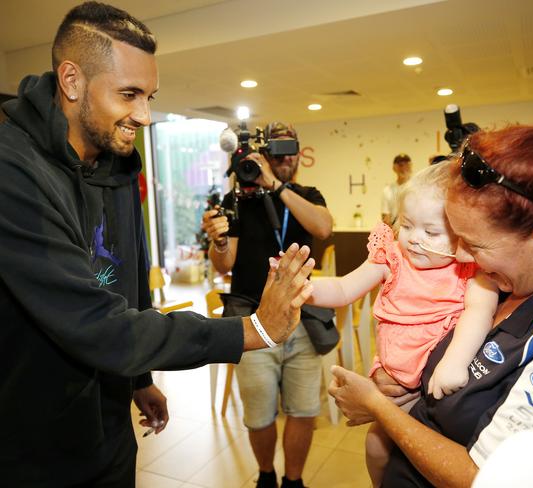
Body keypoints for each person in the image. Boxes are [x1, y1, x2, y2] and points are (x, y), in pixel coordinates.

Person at [0, 3, 314, 487]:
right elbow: (95, 324)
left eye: (150, 96)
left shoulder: (119, 161)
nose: (144, 116)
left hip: (109, 431)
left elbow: (127, 278)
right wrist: (249, 331)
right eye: (129, 94)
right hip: (35, 448)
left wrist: (140, 378)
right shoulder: (12, 173)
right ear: (71, 80)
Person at [328, 107, 533, 487]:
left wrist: (377, 407)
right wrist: (392, 383)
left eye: (473, 244)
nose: (461, 258)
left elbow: (484, 477)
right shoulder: (512, 279)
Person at [307, 162, 498, 487]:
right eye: (407, 225)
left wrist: (454, 362)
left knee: (419, 458)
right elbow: (343, 288)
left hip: (434, 387)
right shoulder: (393, 257)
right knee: (376, 447)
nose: (414, 239)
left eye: (431, 232)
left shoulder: (467, 269)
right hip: (394, 378)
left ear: (460, 236)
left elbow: (478, 312)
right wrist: (305, 288)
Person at [204, 121, 333, 488]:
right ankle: (265, 476)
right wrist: (220, 242)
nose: (287, 156)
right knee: (258, 414)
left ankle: (294, 481)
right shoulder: (237, 200)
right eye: (278, 150)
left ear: (300, 152)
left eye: (292, 148)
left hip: (302, 318)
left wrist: (276, 188)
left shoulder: (308, 193)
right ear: (265, 154)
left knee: (304, 410)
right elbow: (225, 264)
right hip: (252, 321)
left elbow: (323, 227)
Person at [381, 153, 412, 226]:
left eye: (406, 165)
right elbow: (386, 217)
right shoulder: (387, 190)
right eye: (400, 165)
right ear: (394, 168)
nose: (403, 168)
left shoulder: (417, 188)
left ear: (411, 166)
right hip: (394, 232)